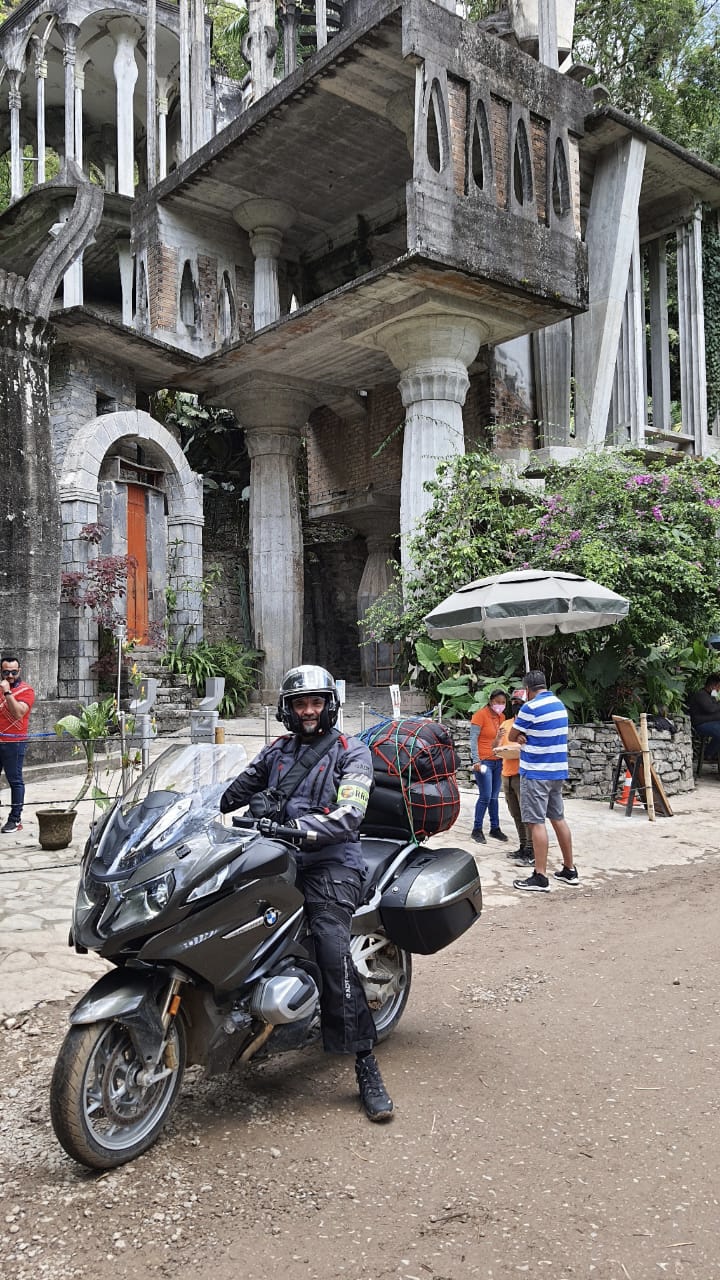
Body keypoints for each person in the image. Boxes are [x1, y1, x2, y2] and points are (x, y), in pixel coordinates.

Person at [220, 664, 394, 1123]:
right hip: (274, 856)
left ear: (330, 706)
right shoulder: (276, 752)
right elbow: (233, 790)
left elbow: (350, 813)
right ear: (288, 709)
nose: (309, 710)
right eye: (301, 703)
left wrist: (297, 827)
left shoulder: (350, 752)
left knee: (331, 946)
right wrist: (196, 803)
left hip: (332, 863)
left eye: (316, 702)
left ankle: (365, 1062)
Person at [508, 670, 578, 893]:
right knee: (558, 818)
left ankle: (540, 875)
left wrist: (520, 735)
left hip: (536, 772)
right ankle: (569, 869)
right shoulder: (559, 705)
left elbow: (512, 736)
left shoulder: (530, 707)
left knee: (536, 822)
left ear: (527, 690)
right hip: (557, 771)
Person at [493, 690, 533, 865]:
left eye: (519, 702)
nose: (516, 705)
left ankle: (531, 850)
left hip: (522, 773)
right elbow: (495, 748)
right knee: (515, 813)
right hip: (506, 773)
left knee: (527, 814)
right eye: (515, 702)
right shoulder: (507, 724)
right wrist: (498, 738)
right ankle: (523, 845)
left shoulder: (530, 725)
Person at [468, 690, 509, 845]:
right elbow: (473, 739)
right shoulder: (480, 715)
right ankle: (476, 829)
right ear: (491, 701)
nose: (500, 705)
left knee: (494, 797)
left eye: (503, 702)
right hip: (484, 761)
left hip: (498, 761)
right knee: (485, 796)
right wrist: (476, 760)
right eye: (498, 702)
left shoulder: (502, 717)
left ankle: (495, 827)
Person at [0, 654, 35, 834]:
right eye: (6, 672)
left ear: (19, 671)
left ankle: (15, 819)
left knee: (15, 780)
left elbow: (19, 713)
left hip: (14, 742)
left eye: (14, 672)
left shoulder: (26, 690)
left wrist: (7, 693)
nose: (10, 676)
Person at [688, 673, 720, 760]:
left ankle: (712, 754)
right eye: (718, 687)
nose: (718, 690)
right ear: (713, 686)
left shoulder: (710, 696)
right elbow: (711, 709)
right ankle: (708, 754)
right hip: (701, 724)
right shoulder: (701, 695)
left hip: (711, 722)